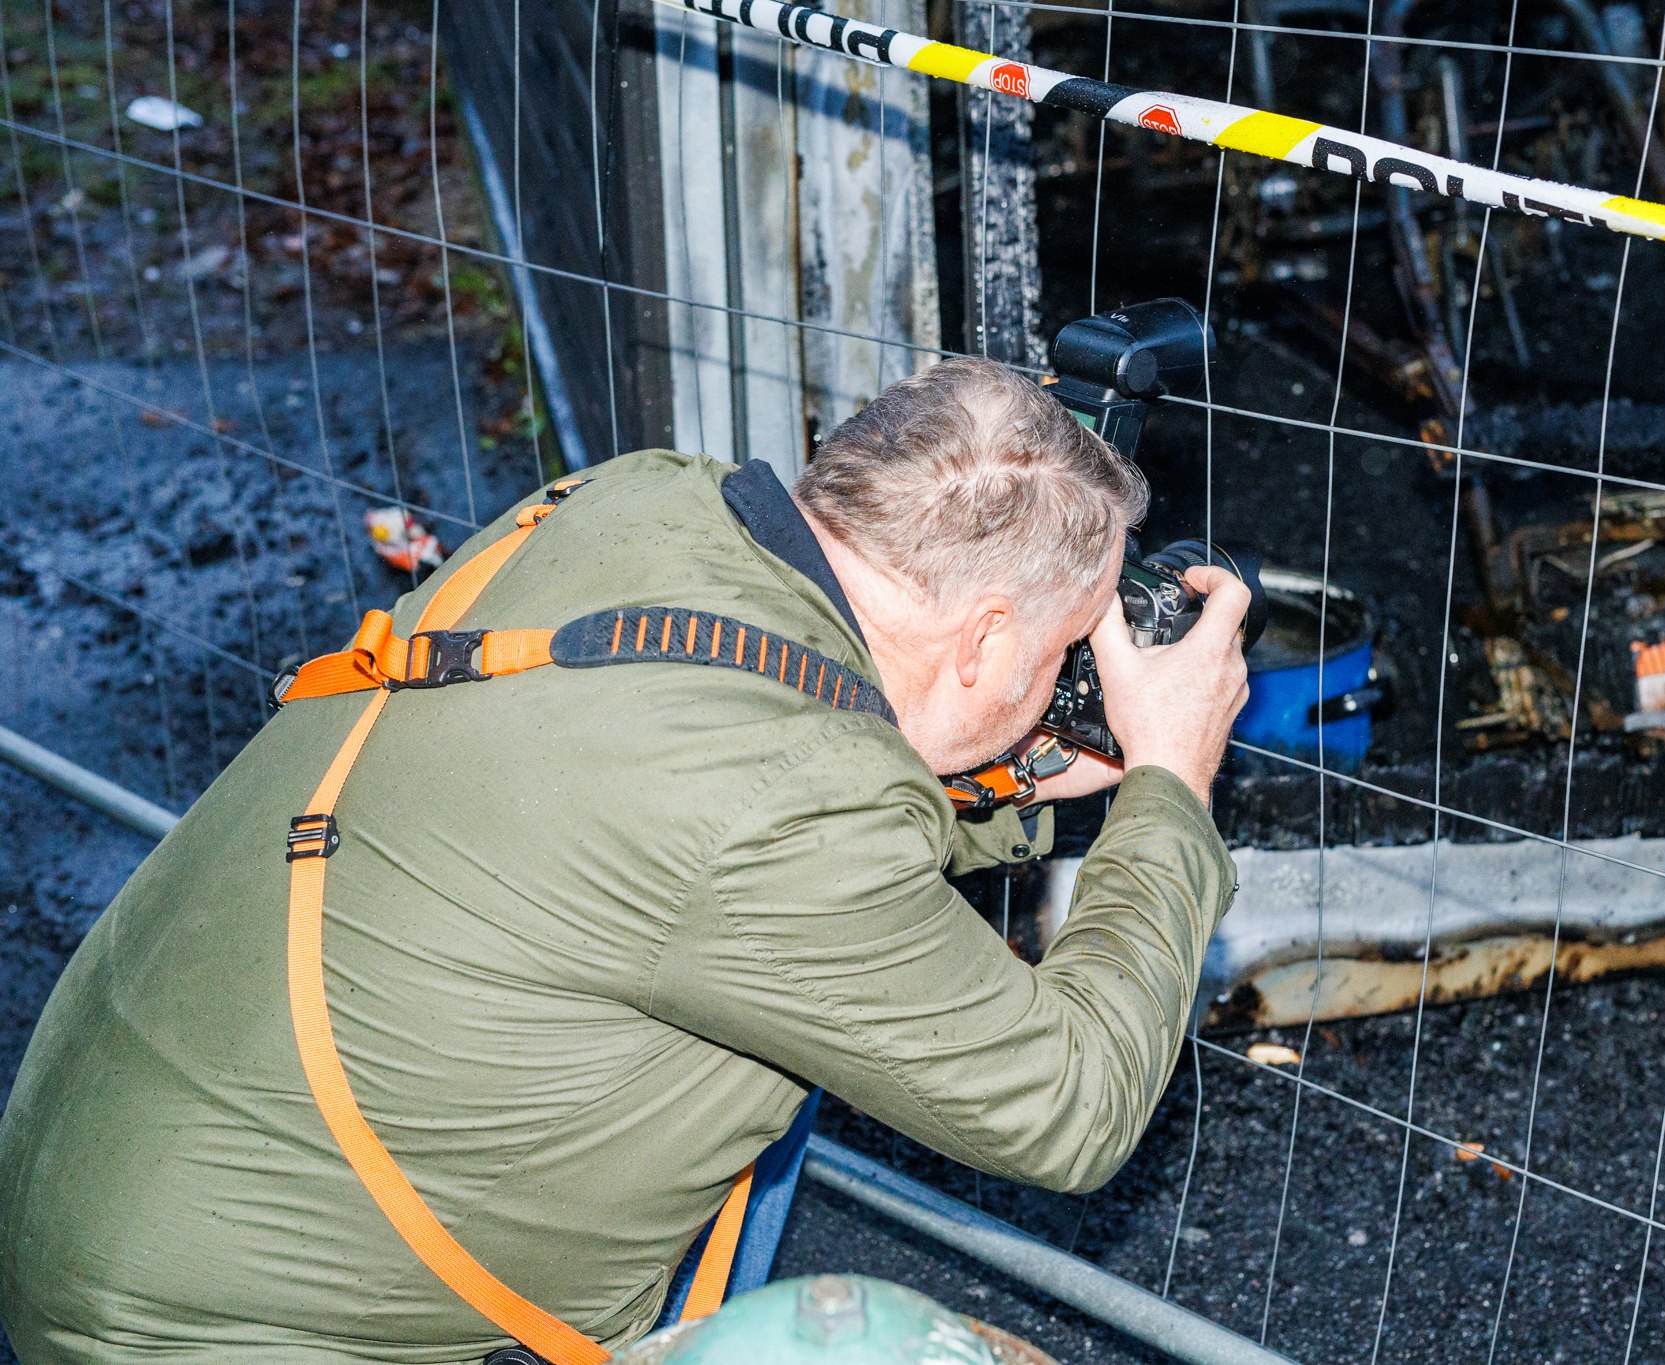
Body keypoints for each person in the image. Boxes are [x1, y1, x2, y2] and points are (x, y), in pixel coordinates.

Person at [0, 357, 1250, 1364]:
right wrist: (1168, 786)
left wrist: (1023, 774)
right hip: (250, 1338)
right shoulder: (777, 807)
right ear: (981, 636)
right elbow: (1069, 1110)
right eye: (1052, 659)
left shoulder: (646, 501)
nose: (1056, 687)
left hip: (118, 1223)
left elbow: (722, 813)